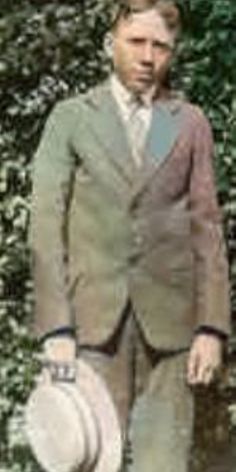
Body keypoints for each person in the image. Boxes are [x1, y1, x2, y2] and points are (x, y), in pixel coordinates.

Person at [30, 0, 231, 471]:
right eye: (136, 42)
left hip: (172, 334)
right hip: (93, 329)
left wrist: (212, 327)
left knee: (163, 465)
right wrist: (56, 327)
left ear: (172, 53)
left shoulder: (188, 122)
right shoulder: (72, 118)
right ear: (110, 44)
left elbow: (207, 229)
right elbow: (44, 225)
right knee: (92, 459)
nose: (147, 57)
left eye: (160, 46)